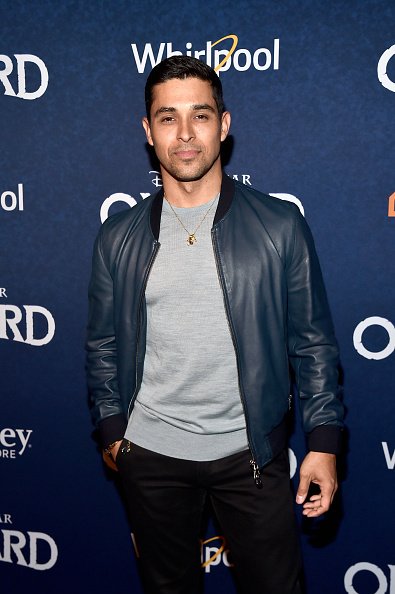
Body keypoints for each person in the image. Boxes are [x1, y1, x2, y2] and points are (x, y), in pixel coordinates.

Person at [86, 55, 344, 594]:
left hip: (250, 454)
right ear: (147, 131)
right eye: (167, 117)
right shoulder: (118, 237)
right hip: (150, 457)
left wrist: (322, 442)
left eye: (200, 116)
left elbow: (312, 343)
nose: (184, 134)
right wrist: (113, 432)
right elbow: (103, 344)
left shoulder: (279, 226)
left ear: (223, 126)